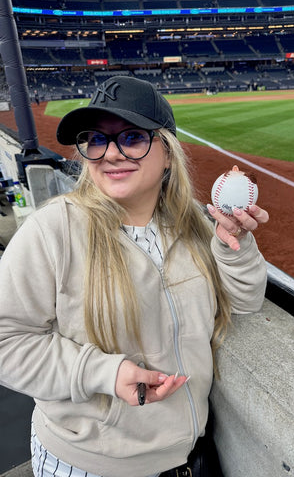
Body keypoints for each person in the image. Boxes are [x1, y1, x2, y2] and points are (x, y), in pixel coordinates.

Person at [0, 76, 269, 477]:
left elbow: (245, 303)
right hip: (87, 464)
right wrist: (105, 372)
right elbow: (6, 341)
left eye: (131, 137)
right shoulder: (52, 229)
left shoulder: (194, 225)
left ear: (167, 152)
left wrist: (234, 245)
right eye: (95, 139)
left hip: (186, 459)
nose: (110, 153)